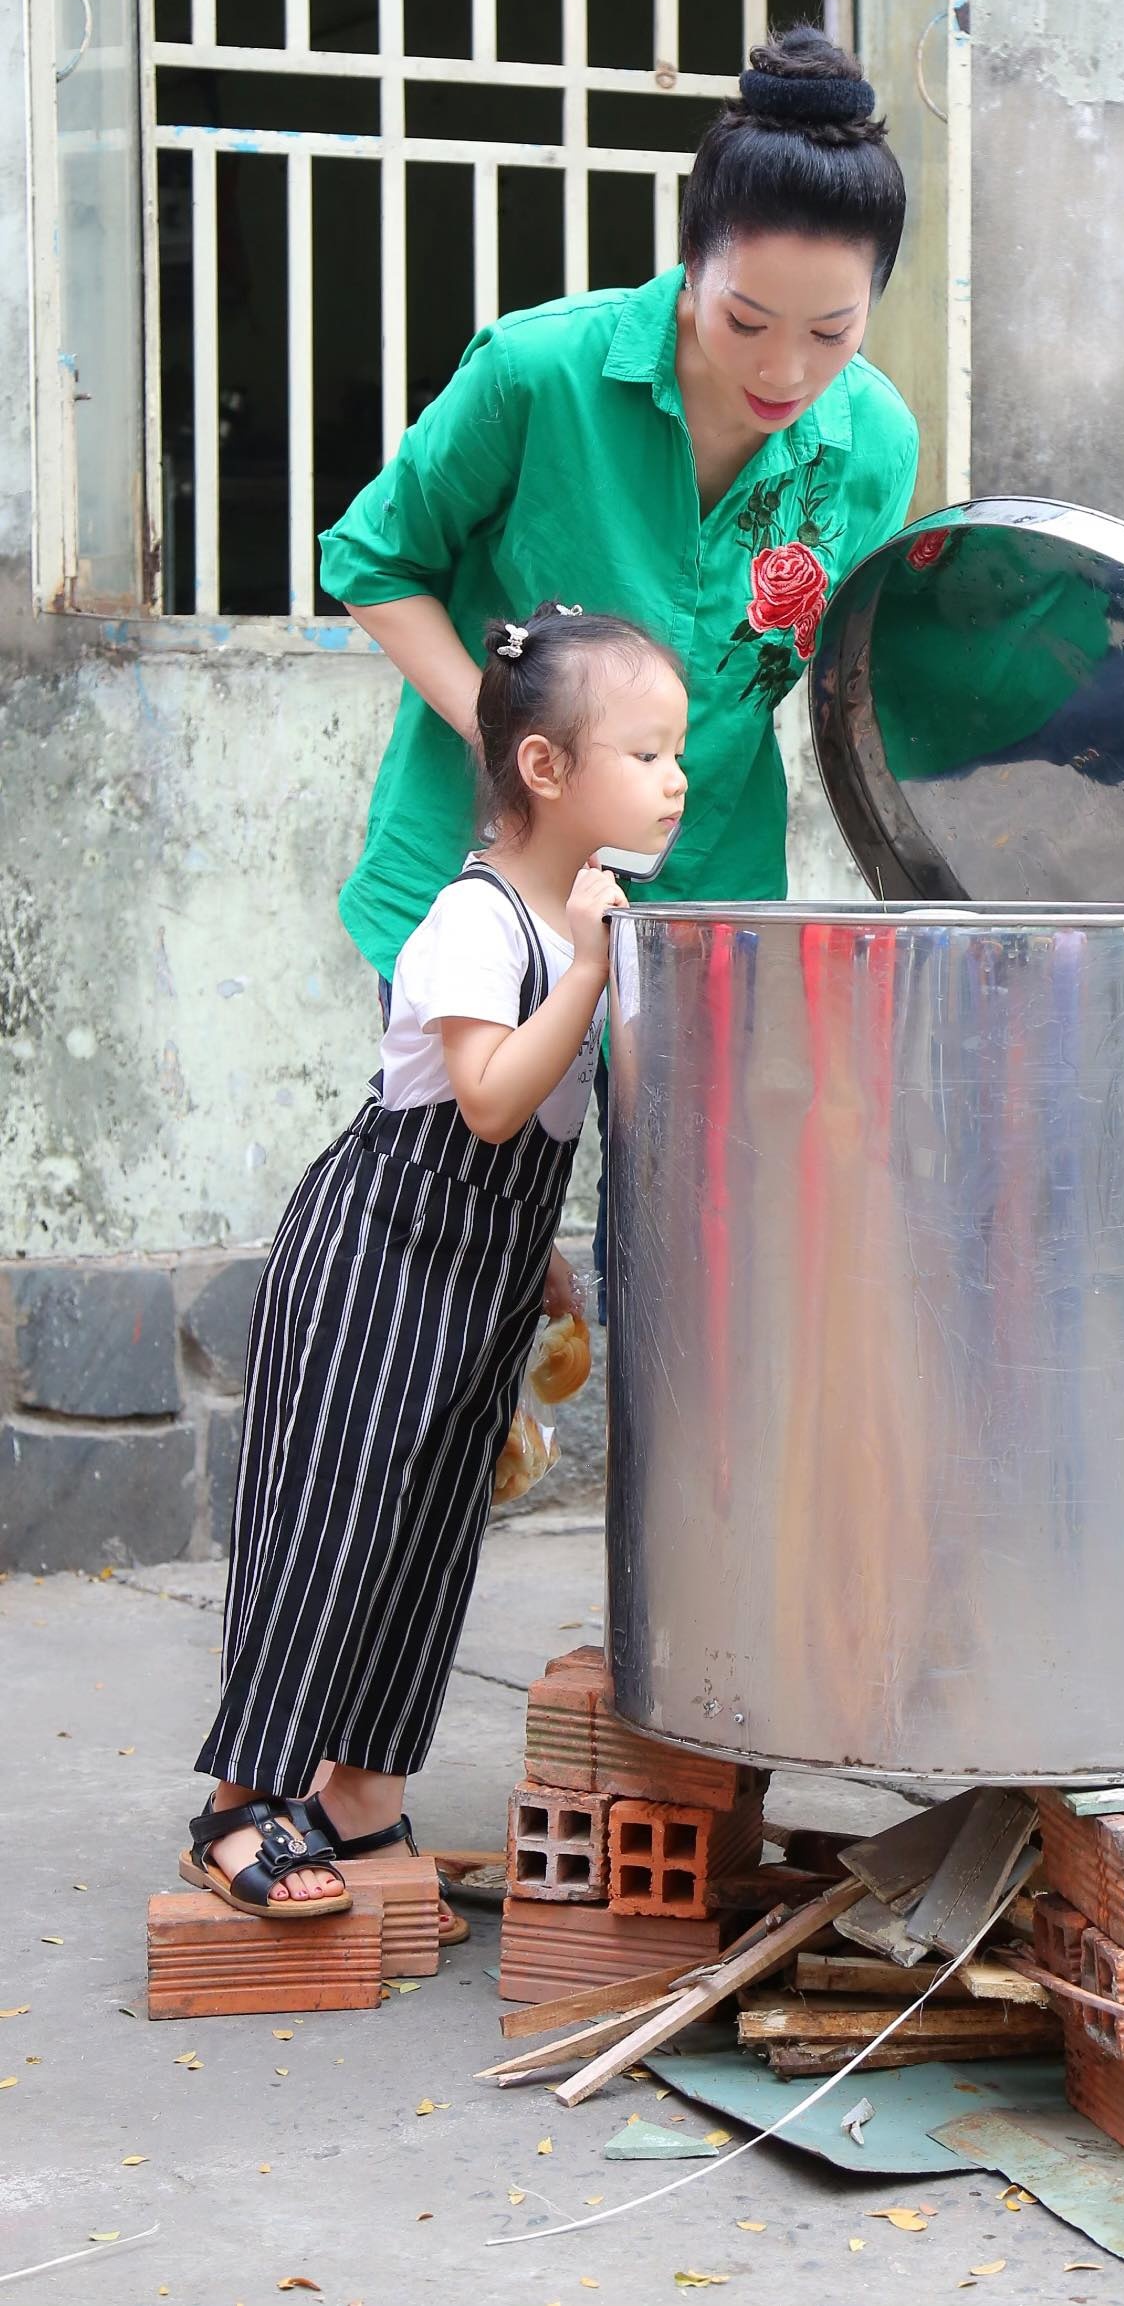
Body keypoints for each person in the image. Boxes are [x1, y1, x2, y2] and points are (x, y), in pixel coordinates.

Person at [318, 24, 919, 1300]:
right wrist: (518, 737)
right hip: (487, 871)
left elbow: (852, 675)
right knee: (462, 1266)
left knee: (699, 1265)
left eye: (832, 331)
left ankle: (682, 1512)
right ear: (687, 262)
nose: (783, 369)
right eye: (746, 318)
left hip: (708, 889)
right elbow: (375, 560)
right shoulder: (542, 372)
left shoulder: (873, 443)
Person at [183, 608, 687, 1914]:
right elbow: (482, 1102)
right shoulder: (482, 919)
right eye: (645, 752)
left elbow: (538, 1137)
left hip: (476, 1280)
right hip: (374, 1261)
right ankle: (238, 1806)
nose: (676, 778)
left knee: (427, 1536)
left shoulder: (567, 923)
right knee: (332, 1527)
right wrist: (587, 967)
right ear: (545, 771)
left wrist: (546, 1268)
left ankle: (358, 1801)